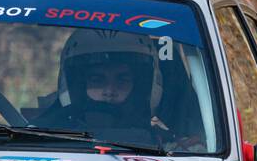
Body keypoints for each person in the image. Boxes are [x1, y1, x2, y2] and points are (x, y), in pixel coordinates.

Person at [37, 30, 200, 150]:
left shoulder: (172, 148)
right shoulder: (35, 138)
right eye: (97, 80)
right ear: (77, 85)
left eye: (122, 80)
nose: (109, 91)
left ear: (143, 87)